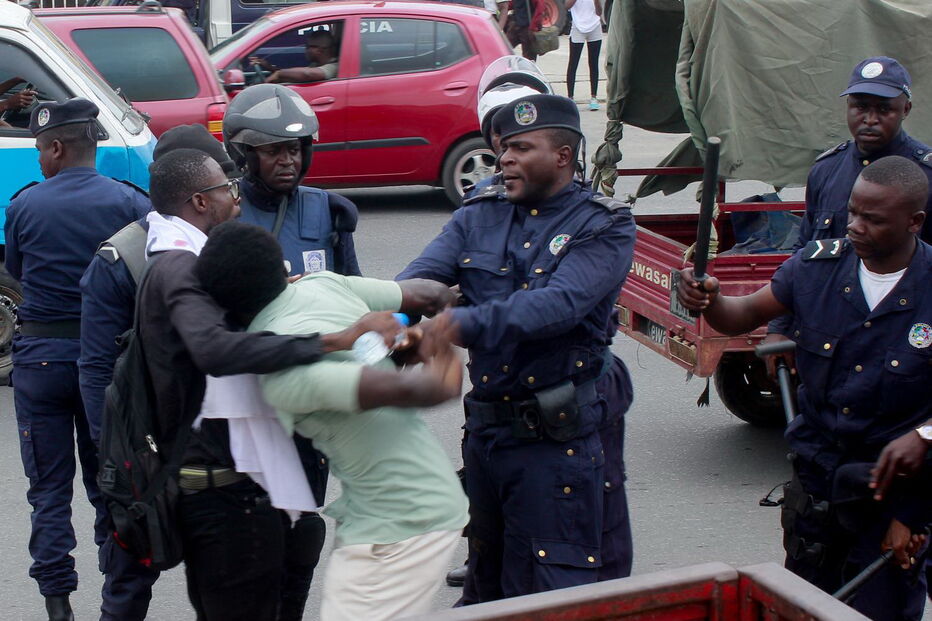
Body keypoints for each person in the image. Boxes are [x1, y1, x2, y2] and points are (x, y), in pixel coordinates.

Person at [136, 148, 404, 621]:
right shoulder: (179, 266)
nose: (236, 201)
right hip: (225, 496)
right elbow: (214, 350)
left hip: (230, 487)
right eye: (227, 190)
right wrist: (332, 339)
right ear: (200, 201)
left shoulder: (184, 258)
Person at [398, 93, 636, 602]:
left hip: (556, 443)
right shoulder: (479, 214)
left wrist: (451, 326)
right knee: (488, 581)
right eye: (504, 148)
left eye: (522, 148)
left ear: (563, 156)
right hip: (488, 438)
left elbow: (557, 307)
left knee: (554, 592)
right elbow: (419, 278)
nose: (504, 158)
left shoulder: (604, 225)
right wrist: (391, 319)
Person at [676, 155, 931, 621]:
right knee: (799, 610)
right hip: (818, 490)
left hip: (894, 499)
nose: (855, 225)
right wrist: (709, 299)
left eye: (872, 219)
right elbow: (741, 314)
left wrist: (915, 492)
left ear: (914, 221)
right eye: (853, 211)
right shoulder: (817, 267)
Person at [195, 220, 469, 621]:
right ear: (284, 267)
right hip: (376, 519)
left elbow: (430, 390)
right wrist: (424, 339)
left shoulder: (280, 376)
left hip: (407, 524)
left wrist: (432, 345)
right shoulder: (322, 282)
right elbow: (418, 311)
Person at [77, 124, 240, 621]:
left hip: (216, 455)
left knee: (225, 586)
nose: (232, 195)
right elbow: (97, 368)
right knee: (128, 584)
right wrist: (120, 463)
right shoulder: (121, 258)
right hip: (145, 456)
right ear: (192, 195)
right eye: (221, 185)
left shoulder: (227, 246)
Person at [4, 98, 151, 621]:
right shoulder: (131, 203)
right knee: (109, 485)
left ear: (58, 147)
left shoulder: (23, 206)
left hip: (40, 362)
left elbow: (17, 273)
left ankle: (58, 606)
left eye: (41, 150)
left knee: (47, 491)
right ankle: (118, 598)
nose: (39, 161)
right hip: (105, 367)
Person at [223, 82, 360, 619]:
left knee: (302, 535)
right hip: (247, 409)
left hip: (310, 408)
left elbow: (352, 297)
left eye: (297, 149)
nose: (289, 160)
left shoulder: (328, 213)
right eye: (274, 149)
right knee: (248, 544)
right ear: (243, 153)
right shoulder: (222, 215)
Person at [766, 56, 932, 359]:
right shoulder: (826, 170)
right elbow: (804, 252)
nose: (870, 119)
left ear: (905, 110)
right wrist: (780, 326)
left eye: (884, 109)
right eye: (860, 107)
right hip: (827, 336)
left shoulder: (925, 176)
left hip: (899, 339)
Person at [251, 30, 339, 84]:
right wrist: (269, 67)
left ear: (319, 50)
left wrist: (279, 74)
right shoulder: (316, 64)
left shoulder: (333, 67)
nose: (306, 50)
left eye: (309, 47)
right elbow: (293, 75)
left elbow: (306, 74)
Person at [565, 0, 602, 111]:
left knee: (593, 63)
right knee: (573, 62)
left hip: (594, 26)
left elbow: (599, 12)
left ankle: (594, 97)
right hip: (578, 26)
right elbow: (566, 6)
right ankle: (570, 97)